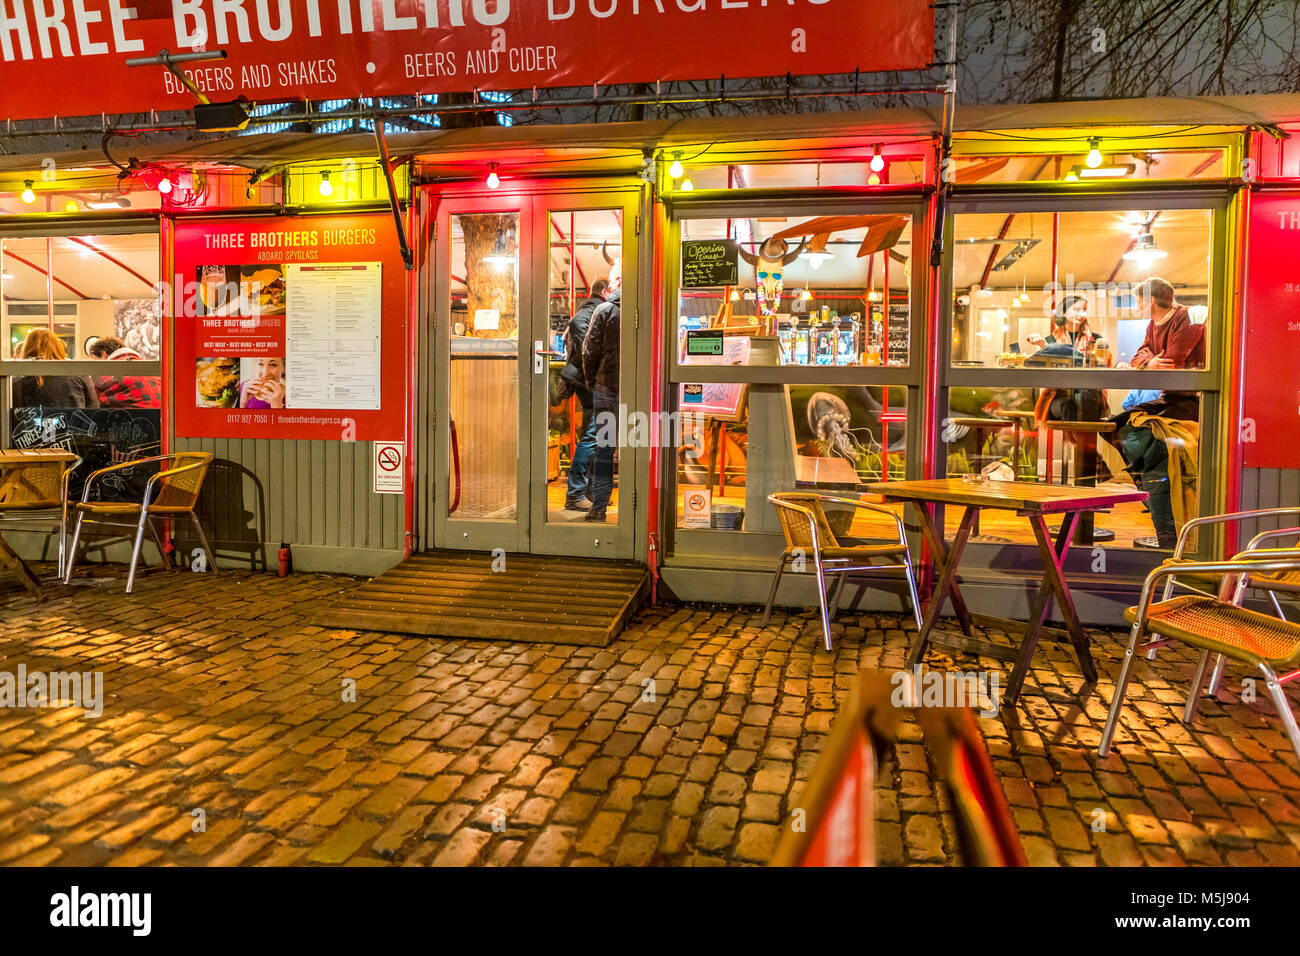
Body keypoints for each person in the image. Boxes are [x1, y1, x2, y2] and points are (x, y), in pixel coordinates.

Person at [1109, 277, 1202, 549]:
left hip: (1191, 402)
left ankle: (1165, 526)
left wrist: (1148, 360)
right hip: (1168, 399)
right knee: (1117, 424)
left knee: (1150, 448)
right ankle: (1146, 478)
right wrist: (1149, 360)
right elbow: (1141, 356)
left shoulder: (1189, 318)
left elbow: (1172, 360)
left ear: (1149, 300)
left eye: (1138, 300)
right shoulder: (1153, 324)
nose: (1136, 306)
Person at [557, 278, 609, 512]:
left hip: (590, 383)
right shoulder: (587, 313)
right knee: (591, 435)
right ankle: (575, 493)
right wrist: (596, 381)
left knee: (594, 436)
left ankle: (585, 491)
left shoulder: (591, 311)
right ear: (605, 292)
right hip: (589, 384)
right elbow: (589, 350)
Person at [581, 264, 622, 523]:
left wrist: (592, 382)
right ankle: (639, 514)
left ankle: (599, 508)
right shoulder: (651, 308)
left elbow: (589, 351)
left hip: (606, 390)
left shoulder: (605, 309)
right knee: (642, 448)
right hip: (641, 393)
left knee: (605, 450)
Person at [11, 328, 98, 408]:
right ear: (57, 347)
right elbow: (93, 408)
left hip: (29, 424)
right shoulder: (78, 373)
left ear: (26, 348)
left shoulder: (15, 380)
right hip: (72, 423)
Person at [88, 335, 162, 408]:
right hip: (161, 417)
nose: (95, 366)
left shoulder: (107, 374)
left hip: (134, 417)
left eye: (95, 361)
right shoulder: (147, 367)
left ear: (103, 354)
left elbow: (94, 400)